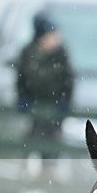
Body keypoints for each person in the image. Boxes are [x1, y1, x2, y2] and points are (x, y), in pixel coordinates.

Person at [16, 11, 74, 150]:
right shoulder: (28, 52)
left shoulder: (61, 55)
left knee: (51, 144)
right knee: (31, 142)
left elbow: (68, 81)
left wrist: (64, 101)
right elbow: (21, 78)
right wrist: (23, 97)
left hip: (53, 108)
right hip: (34, 107)